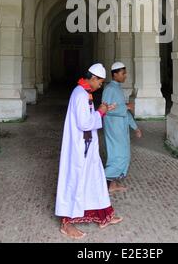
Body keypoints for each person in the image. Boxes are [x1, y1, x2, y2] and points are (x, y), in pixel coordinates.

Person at [55, 63, 123, 239]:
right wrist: (100, 112)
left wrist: (104, 110)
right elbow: (84, 123)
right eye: (100, 82)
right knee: (75, 182)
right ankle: (66, 224)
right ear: (93, 78)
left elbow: (89, 118)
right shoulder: (80, 95)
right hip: (79, 149)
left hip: (87, 147)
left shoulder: (86, 93)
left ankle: (104, 216)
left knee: (95, 180)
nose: (100, 85)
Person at [102, 62, 142, 193]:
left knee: (122, 154)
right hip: (114, 128)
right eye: (123, 73)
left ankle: (112, 184)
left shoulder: (118, 88)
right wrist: (126, 106)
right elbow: (105, 110)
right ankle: (102, 182)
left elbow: (124, 109)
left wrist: (135, 127)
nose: (125, 75)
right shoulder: (109, 89)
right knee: (118, 156)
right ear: (115, 74)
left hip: (121, 127)